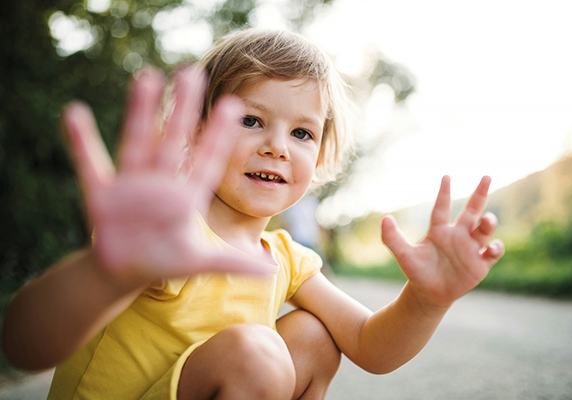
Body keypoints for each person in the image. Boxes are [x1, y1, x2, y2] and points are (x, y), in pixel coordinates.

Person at [1, 29, 504, 400]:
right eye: (251, 120)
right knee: (258, 353)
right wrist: (105, 271)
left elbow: (370, 346)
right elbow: (24, 346)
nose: (277, 147)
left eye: (302, 133)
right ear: (197, 131)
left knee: (313, 336)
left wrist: (426, 300)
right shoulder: (166, 236)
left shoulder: (287, 258)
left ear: (323, 154)